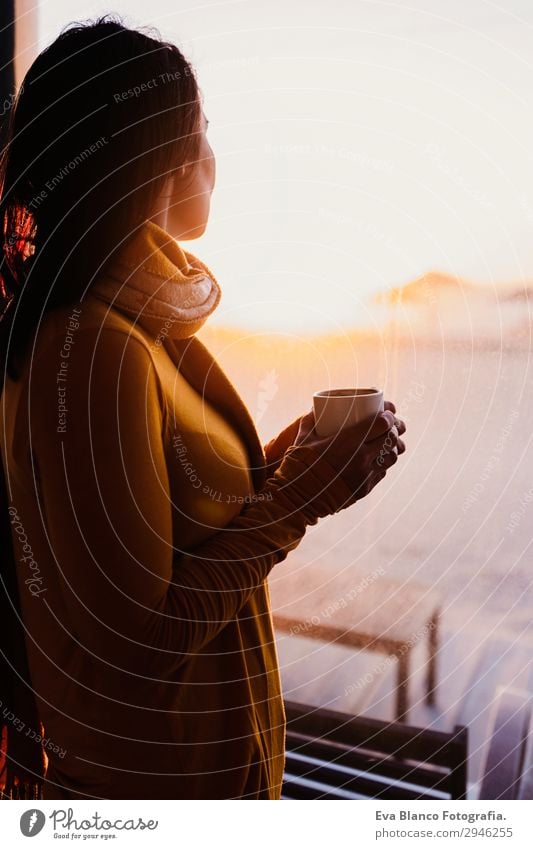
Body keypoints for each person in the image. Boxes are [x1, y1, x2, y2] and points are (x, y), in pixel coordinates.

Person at [0, 15, 406, 800]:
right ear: (158, 157)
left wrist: (293, 463)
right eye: (202, 129)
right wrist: (296, 503)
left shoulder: (132, 330)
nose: (213, 156)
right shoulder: (94, 348)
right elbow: (130, 650)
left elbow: (172, 537)